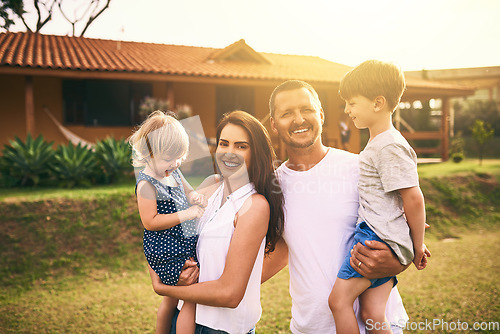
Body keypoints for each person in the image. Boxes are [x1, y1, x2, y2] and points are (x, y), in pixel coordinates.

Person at [262, 79, 409, 333]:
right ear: (274, 124)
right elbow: (283, 249)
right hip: (311, 326)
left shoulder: (361, 167)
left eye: (306, 109)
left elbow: (400, 225)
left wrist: (400, 262)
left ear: (320, 114)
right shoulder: (272, 187)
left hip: (374, 323)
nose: (298, 119)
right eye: (287, 113)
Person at [149, 110, 285, 334]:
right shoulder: (210, 185)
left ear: (256, 153)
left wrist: (164, 288)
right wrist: (170, 273)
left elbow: (229, 294)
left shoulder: (255, 206)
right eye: (224, 143)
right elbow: (168, 236)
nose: (229, 153)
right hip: (181, 318)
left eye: (241, 146)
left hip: (220, 329)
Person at [329, 60, 431, 333]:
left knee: (338, 302)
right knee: (373, 312)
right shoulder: (379, 143)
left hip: (375, 237)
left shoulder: (389, 145)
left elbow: (413, 197)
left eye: (352, 103)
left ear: (377, 103)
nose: (347, 110)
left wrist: (417, 245)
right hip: (384, 232)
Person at [129, 110, 207, 334]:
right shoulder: (147, 184)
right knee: (190, 298)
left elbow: (189, 192)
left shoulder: (173, 172)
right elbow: (150, 222)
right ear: (148, 153)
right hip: (166, 250)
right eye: (168, 158)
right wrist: (187, 214)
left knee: (172, 300)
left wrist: (195, 198)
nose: (175, 163)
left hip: (179, 243)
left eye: (180, 156)